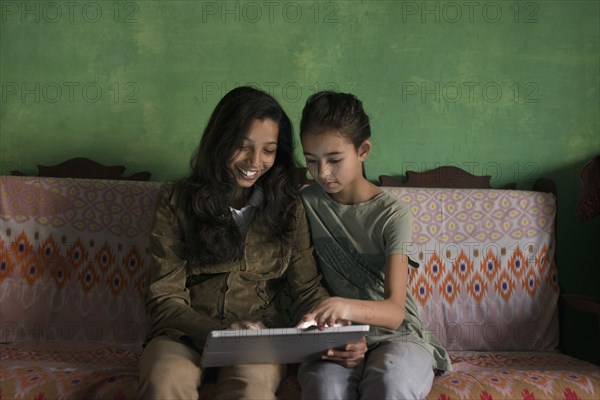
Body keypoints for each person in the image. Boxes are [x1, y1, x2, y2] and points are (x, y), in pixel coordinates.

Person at [137, 86, 366, 400]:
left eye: (268, 150)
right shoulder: (176, 201)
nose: (255, 161)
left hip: (260, 339)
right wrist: (217, 333)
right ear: (219, 142)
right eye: (241, 146)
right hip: (182, 337)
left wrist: (337, 330)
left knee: (252, 390)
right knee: (165, 381)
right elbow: (164, 299)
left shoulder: (289, 207)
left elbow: (306, 289)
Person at [296, 91, 452, 400]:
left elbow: (395, 312)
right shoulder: (306, 203)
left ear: (363, 150)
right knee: (325, 390)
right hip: (336, 338)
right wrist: (330, 330)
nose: (323, 173)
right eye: (312, 161)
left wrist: (344, 305)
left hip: (398, 336)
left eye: (334, 160)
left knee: (390, 383)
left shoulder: (392, 215)